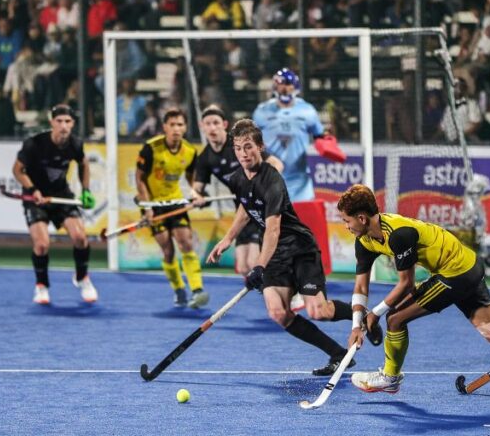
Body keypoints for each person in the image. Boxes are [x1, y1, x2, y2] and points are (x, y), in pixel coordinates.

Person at [337, 184, 490, 404]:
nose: (346, 226)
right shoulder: (365, 241)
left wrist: (376, 313)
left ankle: (390, 378)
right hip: (468, 266)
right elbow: (361, 287)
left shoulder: (398, 234)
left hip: (454, 274)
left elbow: (406, 284)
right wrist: (357, 324)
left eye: (347, 221)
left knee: (395, 319)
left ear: (361, 218)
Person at [207, 120, 382, 376]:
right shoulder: (236, 179)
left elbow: (273, 229)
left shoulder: (272, 181)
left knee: (319, 311)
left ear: (260, 147)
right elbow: (245, 207)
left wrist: (259, 266)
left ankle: (364, 316)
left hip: (299, 248)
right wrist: (227, 239)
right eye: (238, 148)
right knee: (278, 313)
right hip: (274, 253)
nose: (243, 153)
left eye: (248, 146)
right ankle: (337, 353)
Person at [11, 104, 98, 304]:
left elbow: (84, 164)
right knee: (42, 244)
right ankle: (41, 286)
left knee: (80, 238)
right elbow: (17, 170)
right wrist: (33, 190)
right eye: (59, 121)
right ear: (52, 122)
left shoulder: (75, 144)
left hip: (61, 195)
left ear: (73, 124)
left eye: (67, 121)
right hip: (35, 198)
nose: (63, 126)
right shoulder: (34, 144)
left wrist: (85, 190)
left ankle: (82, 278)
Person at [191, 106, 284, 276]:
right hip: (242, 209)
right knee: (242, 268)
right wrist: (197, 198)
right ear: (201, 126)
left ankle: (281, 286)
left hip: (260, 206)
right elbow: (196, 189)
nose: (212, 128)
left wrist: (261, 184)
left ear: (224, 124)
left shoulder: (240, 143)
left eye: (216, 123)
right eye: (208, 124)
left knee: (254, 262)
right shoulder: (205, 158)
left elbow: (277, 164)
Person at [135, 107, 208, 309]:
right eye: (172, 125)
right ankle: (178, 289)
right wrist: (147, 208)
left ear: (185, 127)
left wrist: (195, 195)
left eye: (180, 125)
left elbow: (192, 179)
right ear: (164, 127)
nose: (176, 129)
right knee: (167, 250)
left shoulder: (190, 151)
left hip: (175, 202)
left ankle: (197, 289)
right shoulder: (150, 148)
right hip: (153, 204)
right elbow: (139, 179)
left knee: (186, 243)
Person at [252, 68, 326, 202]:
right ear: (275, 87)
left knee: (303, 215)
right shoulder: (261, 112)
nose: (284, 89)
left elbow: (320, 137)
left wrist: (327, 144)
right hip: (271, 178)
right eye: (281, 85)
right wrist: (264, 158)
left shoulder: (307, 110)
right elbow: (252, 142)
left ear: (295, 87)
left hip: (300, 182)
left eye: (288, 85)